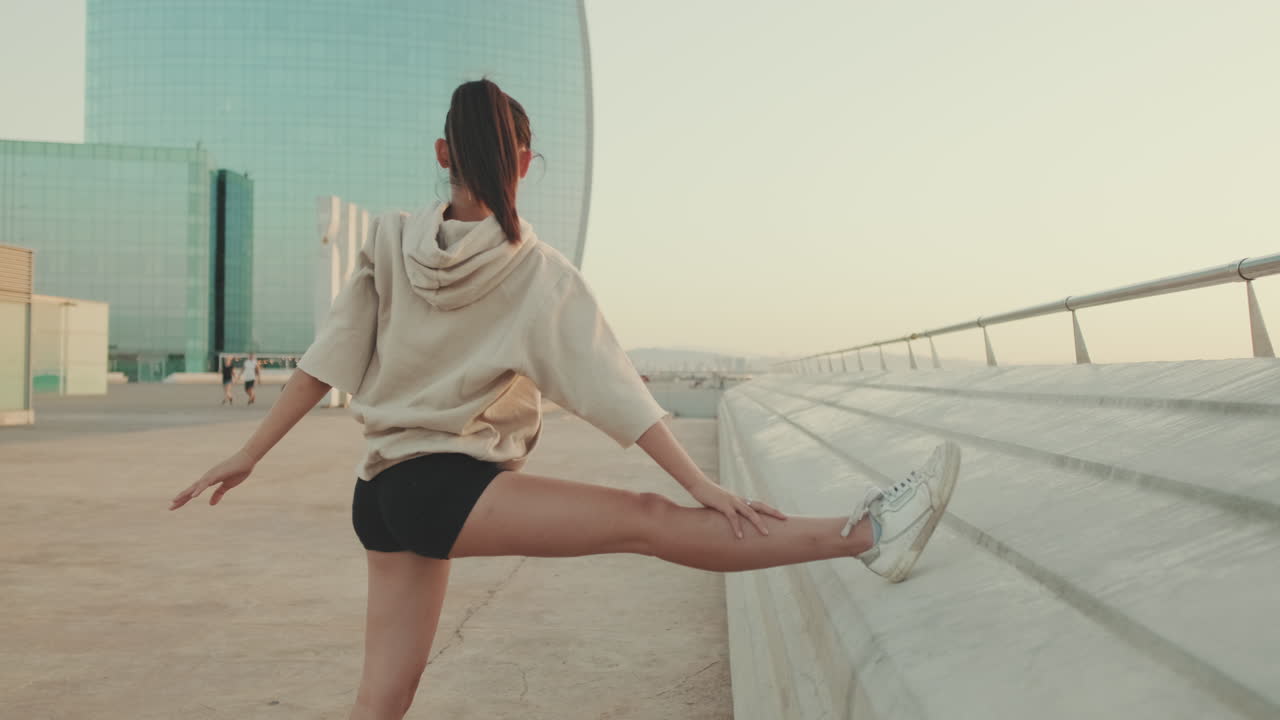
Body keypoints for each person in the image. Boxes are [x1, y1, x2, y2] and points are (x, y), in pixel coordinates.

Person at [170, 79, 960, 720]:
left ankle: (865, 533)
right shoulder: (534, 270)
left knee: (377, 706)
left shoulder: (384, 237)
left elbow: (324, 362)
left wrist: (247, 454)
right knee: (649, 523)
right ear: (526, 160)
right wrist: (701, 485)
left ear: (443, 153)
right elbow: (617, 392)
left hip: (377, 494)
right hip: (444, 487)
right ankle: (867, 533)